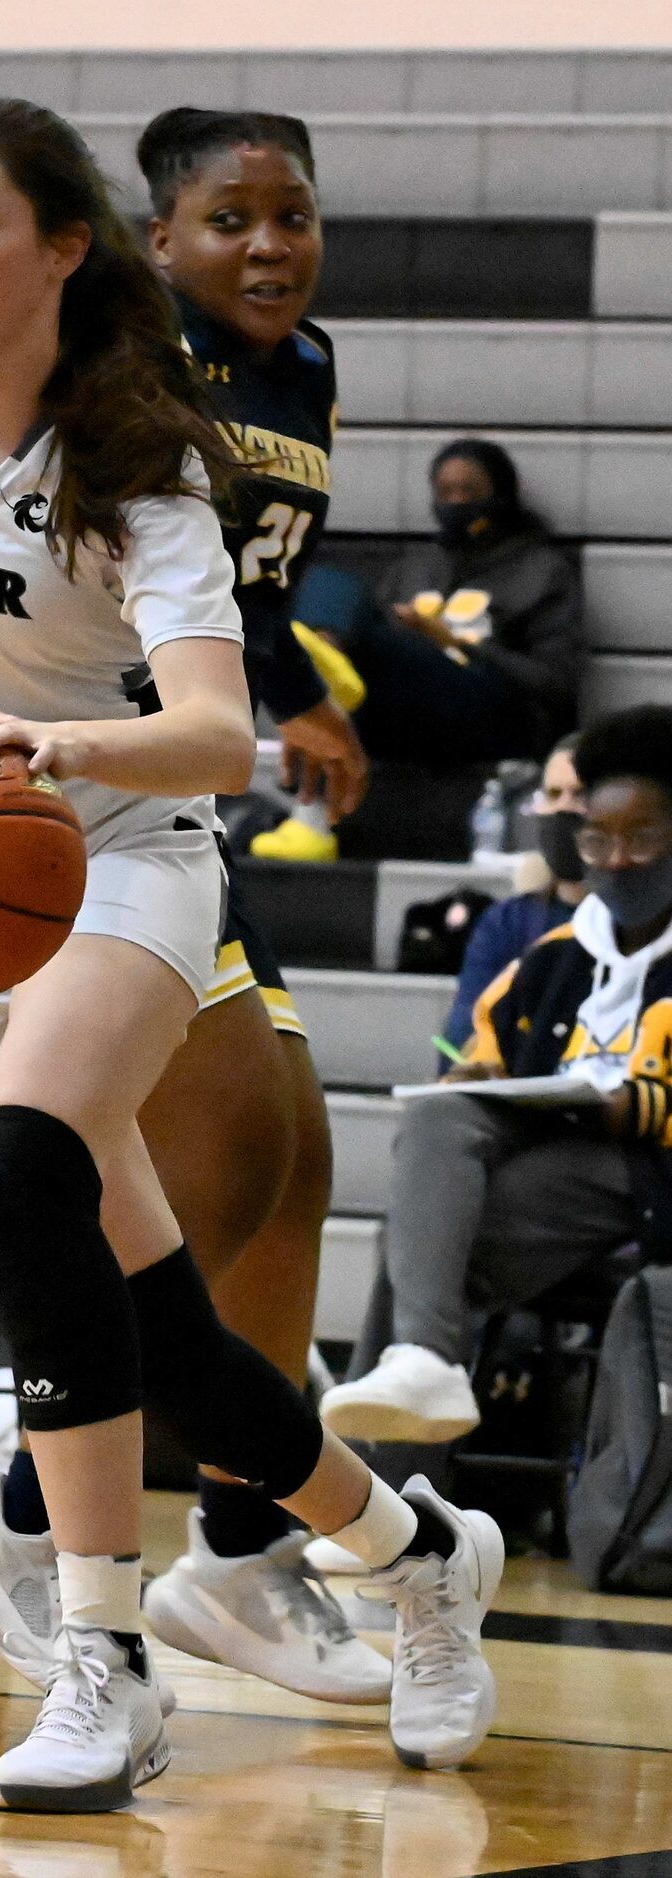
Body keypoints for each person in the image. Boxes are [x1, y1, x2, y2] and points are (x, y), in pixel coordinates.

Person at [0, 98, 502, 1808]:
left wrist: (55, 747)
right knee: (161, 1320)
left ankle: (103, 1657)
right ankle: (421, 1548)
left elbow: (219, 739)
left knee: (22, 1180)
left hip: (111, 855)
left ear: (70, 248)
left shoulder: (143, 469)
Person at [320, 704, 672, 1449]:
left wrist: (627, 1106)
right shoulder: (552, 956)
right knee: (437, 1122)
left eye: (642, 839)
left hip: (646, 1171)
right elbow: (487, 1051)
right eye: (598, 839)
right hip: (555, 1149)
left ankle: (390, 1506)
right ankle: (421, 1371)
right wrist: (477, 1074)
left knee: (422, 1250)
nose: (616, 858)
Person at [291, 439, 582, 769]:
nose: (456, 502)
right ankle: (322, 666)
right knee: (328, 582)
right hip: (401, 704)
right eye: (445, 492)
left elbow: (557, 685)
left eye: (469, 492)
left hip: (487, 708)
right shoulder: (417, 565)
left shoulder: (543, 570)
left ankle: (314, 683)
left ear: (501, 495)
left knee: (384, 647)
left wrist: (454, 642)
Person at [441, 733, 587, 1054]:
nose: (564, 808)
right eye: (553, 794)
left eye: (580, 794)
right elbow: (459, 1042)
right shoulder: (508, 921)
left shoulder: (639, 923)